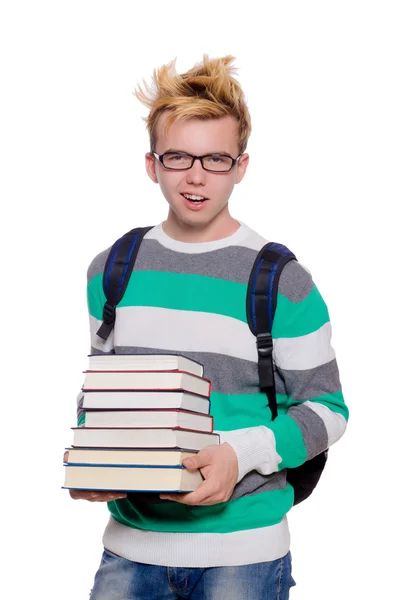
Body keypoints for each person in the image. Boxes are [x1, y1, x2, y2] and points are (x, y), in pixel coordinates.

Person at [68, 54, 348, 599]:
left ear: (241, 166)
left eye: (215, 159)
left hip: (243, 558)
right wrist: (94, 456)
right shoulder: (112, 269)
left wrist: (239, 456)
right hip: (129, 551)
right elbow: (102, 392)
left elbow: (328, 412)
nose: (196, 176)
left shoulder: (281, 280)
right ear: (153, 164)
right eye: (179, 157)